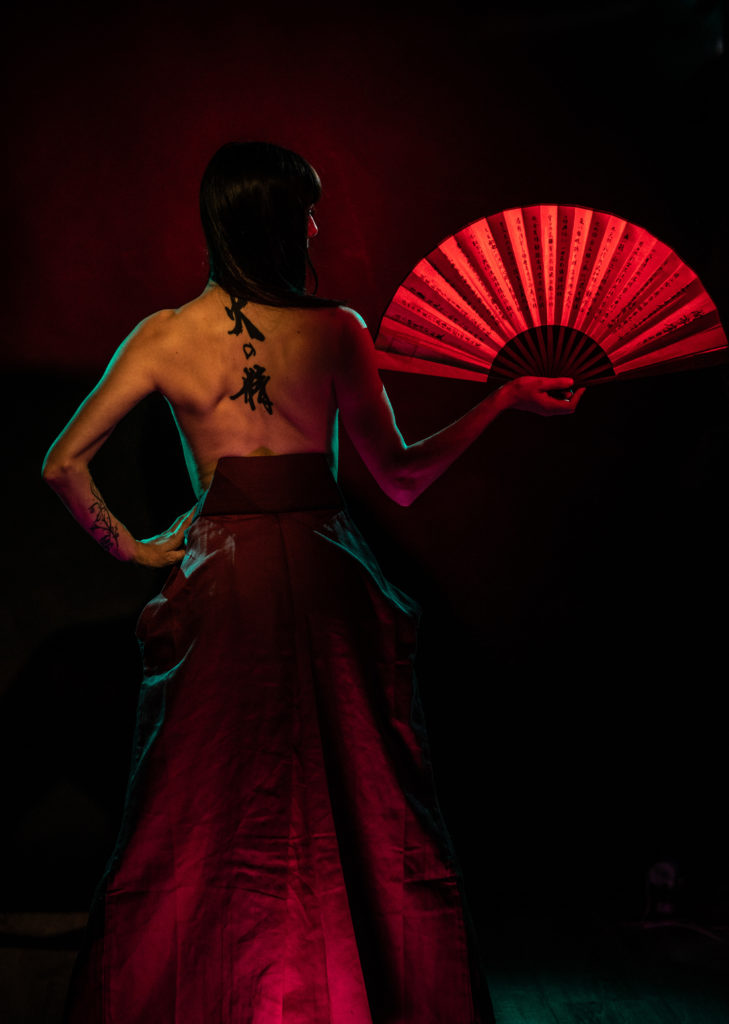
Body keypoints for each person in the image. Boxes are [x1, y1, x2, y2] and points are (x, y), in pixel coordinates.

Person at [43, 141, 584, 1024]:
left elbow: (62, 464)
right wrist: (499, 402)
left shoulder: (165, 335)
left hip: (222, 581)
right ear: (277, 224)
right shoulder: (337, 329)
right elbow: (400, 479)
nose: (318, 230)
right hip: (330, 577)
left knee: (196, 799)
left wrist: (136, 550)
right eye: (307, 213)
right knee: (366, 800)